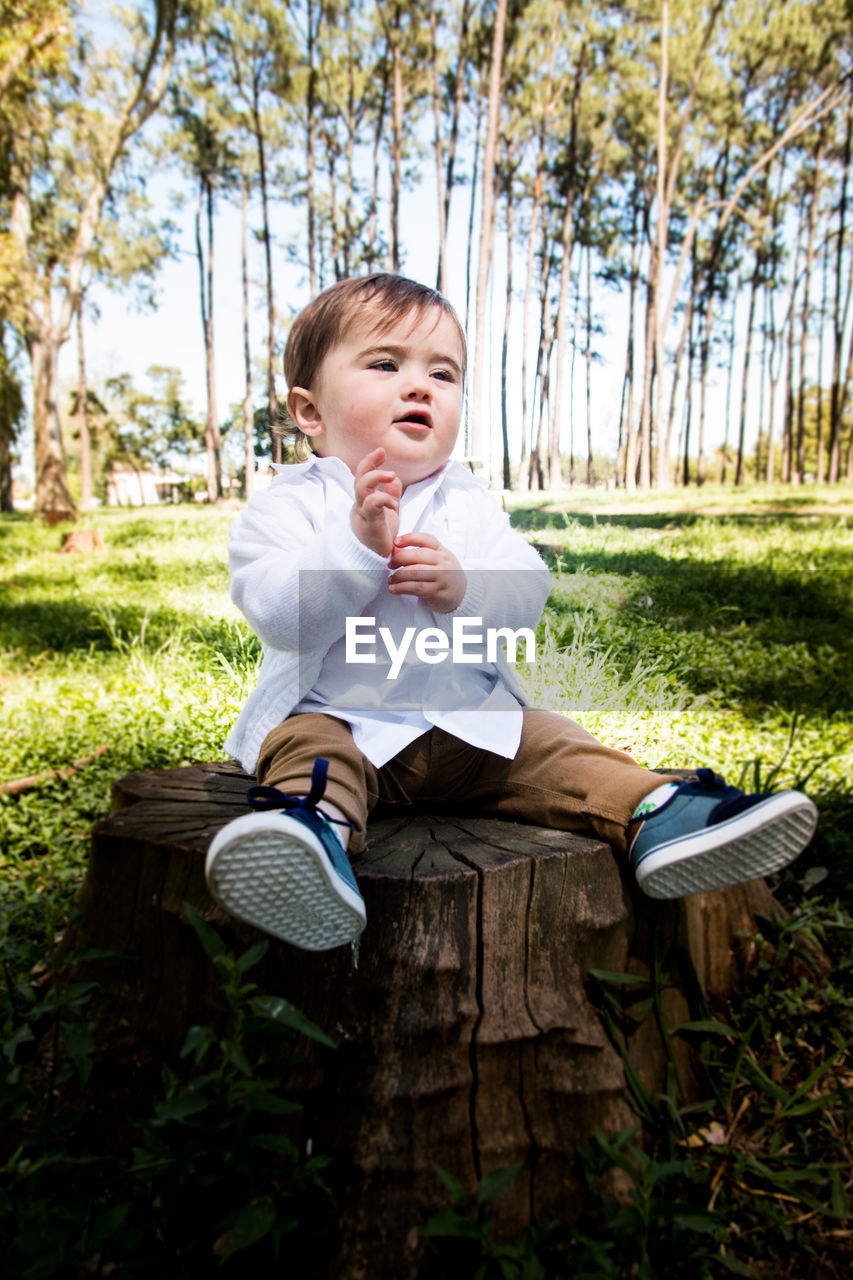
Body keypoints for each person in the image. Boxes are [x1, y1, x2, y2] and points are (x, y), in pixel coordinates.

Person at [206, 273, 818, 952]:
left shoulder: (467, 503)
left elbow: (524, 595)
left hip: (472, 728)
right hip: (342, 720)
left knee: (557, 746)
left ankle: (655, 815)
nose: (419, 386)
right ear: (309, 411)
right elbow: (279, 616)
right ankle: (307, 838)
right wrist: (352, 547)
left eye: (443, 373)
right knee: (307, 752)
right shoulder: (288, 506)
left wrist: (464, 587)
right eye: (385, 364)